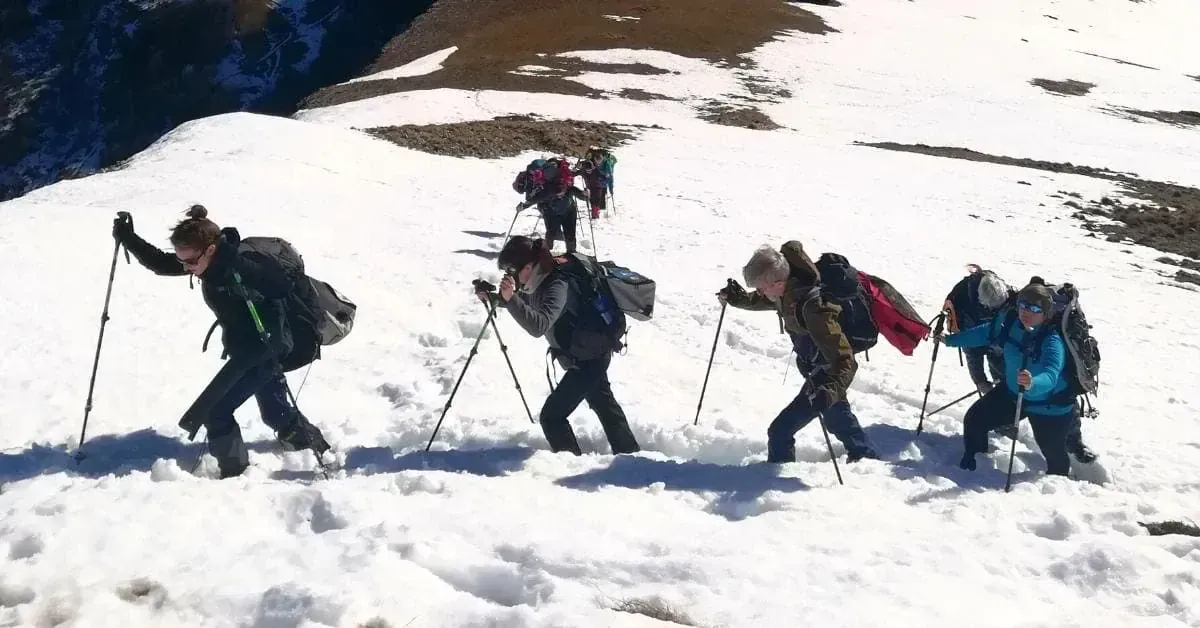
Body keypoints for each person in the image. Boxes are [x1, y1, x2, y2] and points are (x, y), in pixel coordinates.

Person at [112, 205, 331, 478]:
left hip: (267, 348)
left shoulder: (242, 265)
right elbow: (162, 263)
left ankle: (234, 475)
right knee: (275, 412)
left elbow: (279, 285)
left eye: (190, 262)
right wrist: (128, 237)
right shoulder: (207, 264)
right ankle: (317, 446)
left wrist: (237, 264)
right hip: (247, 349)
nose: (187, 268)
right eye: (183, 262)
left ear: (211, 250)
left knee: (215, 411)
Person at [718, 242, 880, 464]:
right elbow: (764, 300)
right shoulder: (787, 293)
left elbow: (845, 361)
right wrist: (738, 299)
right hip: (817, 371)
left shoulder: (814, 308)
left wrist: (828, 391)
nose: (759, 292)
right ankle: (866, 455)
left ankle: (773, 485)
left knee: (779, 432)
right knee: (837, 418)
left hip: (825, 376)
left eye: (761, 288)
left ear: (777, 283)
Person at [480, 236, 640, 456]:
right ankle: (630, 455)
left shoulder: (557, 284)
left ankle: (571, 463)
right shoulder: (538, 279)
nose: (510, 276)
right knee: (604, 404)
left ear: (528, 266)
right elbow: (525, 305)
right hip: (588, 353)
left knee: (552, 417)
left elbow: (538, 324)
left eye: (511, 270)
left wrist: (510, 299)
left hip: (589, 359)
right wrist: (494, 297)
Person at [938, 282, 1083, 477]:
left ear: (1045, 313)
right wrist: (950, 340)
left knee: (1053, 453)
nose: (1026, 312)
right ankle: (974, 468)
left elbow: (1051, 373)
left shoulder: (1052, 340)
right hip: (1014, 394)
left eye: (1034, 309)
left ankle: (1058, 488)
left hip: (1050, 406)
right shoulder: (1012, 324)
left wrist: (1033, 382)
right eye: (1023, 305)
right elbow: (984, 333)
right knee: (974, 420)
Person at [513, 158, 586, 254]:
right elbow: (537, 198)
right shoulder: (548, 190)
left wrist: (586, 195)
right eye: (558, 194)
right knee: (551, 233)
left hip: (569, 211)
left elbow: (579, 194)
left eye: (561, 193)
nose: (559, 195)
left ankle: (571, 253)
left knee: (570, 235)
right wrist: (524, 206)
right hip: (552, 212)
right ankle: (546, 253)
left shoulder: (567, 186)